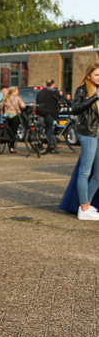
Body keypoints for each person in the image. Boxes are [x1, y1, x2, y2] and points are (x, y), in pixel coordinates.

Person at [59, 63, 99, 220]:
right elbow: (75, 109)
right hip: (87, 133)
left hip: (97, 132)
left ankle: (87, 205)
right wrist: (95, 97)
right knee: (85, 171)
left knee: (98, 173)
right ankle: (83, 208)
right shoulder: (82, 89)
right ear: (89, 75)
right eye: (96, 75)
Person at [36, 79, 63, 154]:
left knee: (43, 128)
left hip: (41, 112)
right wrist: (70, 104)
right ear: (52, 85)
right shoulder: (53, 92)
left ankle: (40, 144)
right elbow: (61, 98)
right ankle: (50, 147)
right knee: (50, 129)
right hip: (49, 113)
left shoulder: (41, 92)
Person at [0, 86, 25, 153]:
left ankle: (3, 138)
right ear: (13, 92)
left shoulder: (6, 98)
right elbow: (23, 106)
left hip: (6, 116)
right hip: (15, 116)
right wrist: (21, 110)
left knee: (7, 129)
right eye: (17, 91)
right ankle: (11, 147)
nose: (18, 93)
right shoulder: (17, 98)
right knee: (14, 131)